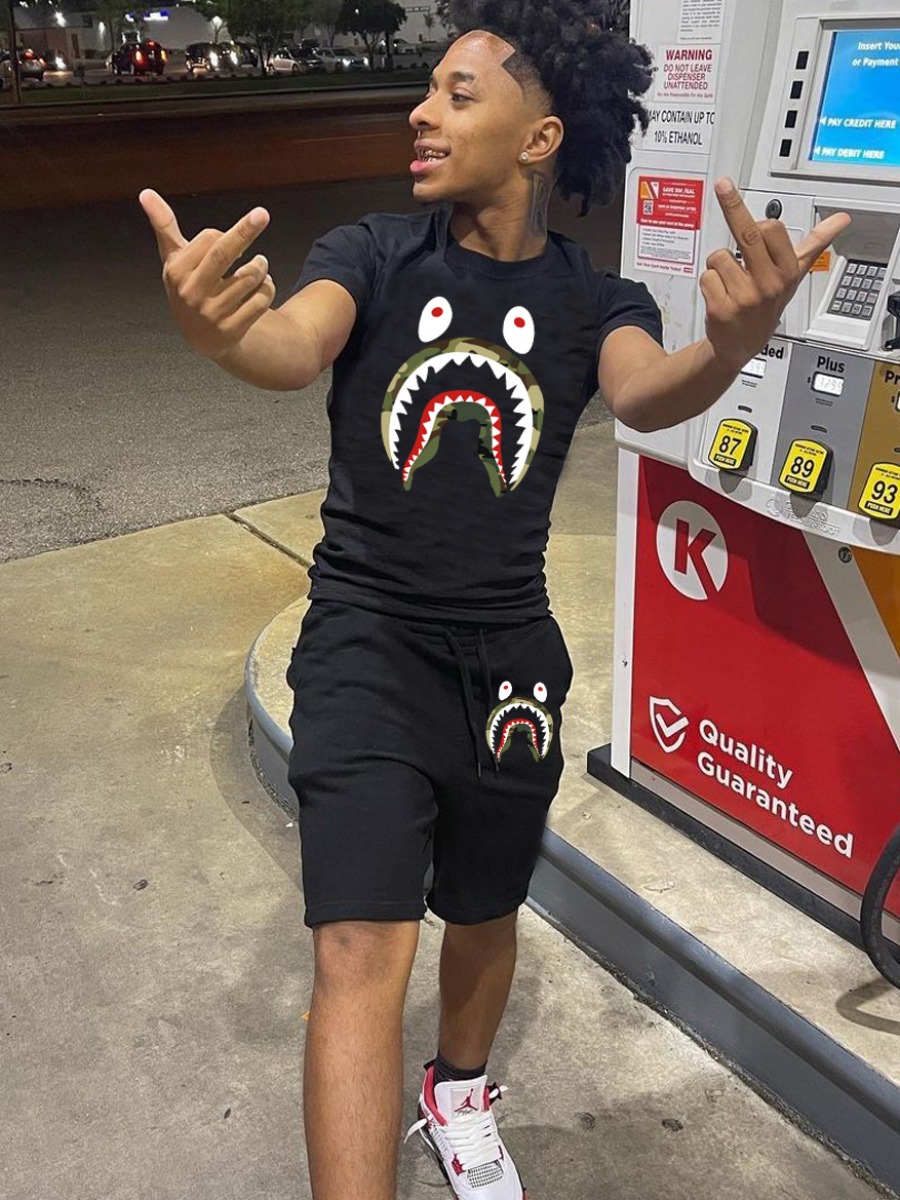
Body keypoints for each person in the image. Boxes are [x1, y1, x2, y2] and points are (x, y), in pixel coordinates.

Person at [139, 0, 849, 1195]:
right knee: (357, 943)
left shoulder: (596, 299)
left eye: (457, 95)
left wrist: (730, 348)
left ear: (539, 138)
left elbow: (649, 392)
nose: (421, 113)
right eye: (428, 90)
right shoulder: (370, 252)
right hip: (365, 640)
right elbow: (290, 348)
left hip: (511, 661)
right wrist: (218, 335)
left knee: (484, 906)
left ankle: (457, 1093)